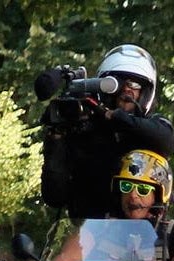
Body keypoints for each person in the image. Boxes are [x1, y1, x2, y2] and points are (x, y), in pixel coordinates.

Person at [39, 44, 174, 219]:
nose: (127, 89)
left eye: (134, 84)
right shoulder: (83, 131)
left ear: (146, 91)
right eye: (117, 82)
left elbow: (167, 141)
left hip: (144, 238)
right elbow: (54, 196)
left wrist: (116, 117)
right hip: (87, 238)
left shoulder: (153, 128)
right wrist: (55, 139)